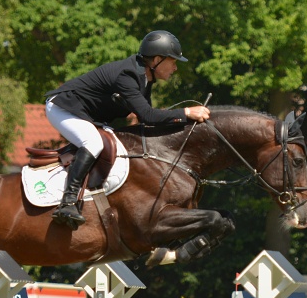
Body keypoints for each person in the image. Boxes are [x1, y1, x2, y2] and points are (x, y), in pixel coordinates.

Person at [44, 30, 211, 228]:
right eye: (173, 61)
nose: (175, 67)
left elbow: (145, 120)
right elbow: (148, 115)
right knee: (93, 142)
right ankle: (68, 202)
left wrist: (185, 123)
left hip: (85, 115)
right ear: (157, 60)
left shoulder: (144, 77)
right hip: (63, 107)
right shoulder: (129, 76)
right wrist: (187, 113)